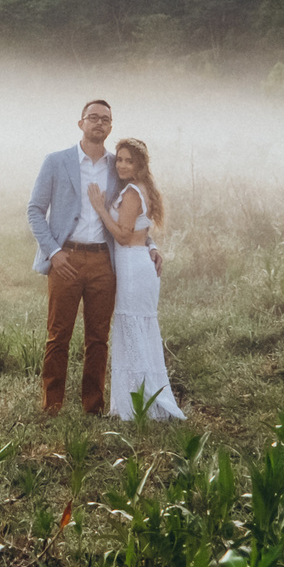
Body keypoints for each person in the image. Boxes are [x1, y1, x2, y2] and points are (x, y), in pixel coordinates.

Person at [27, 99, 122, 415]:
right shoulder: (57, 161)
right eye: (93, 117)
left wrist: (149, 246)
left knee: (98, 340)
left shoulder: (116, 167)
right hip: (65, 259)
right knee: (58, 336)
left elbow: (131, 214)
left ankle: (93, 407)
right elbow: (35, 210)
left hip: (103, 263)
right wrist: (53, 252)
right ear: (80, 123)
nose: (99, 123)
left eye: (105, 119)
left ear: (110, 126)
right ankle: (51, 406)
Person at [87, 137, 183, 419]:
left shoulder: (131, 192)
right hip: (140, 262)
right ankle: (140, 401)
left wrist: (100, 207)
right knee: (138, 330)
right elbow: (141, 233)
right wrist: (153, 247)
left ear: (140, 164)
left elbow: (124, 235)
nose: (123, 165)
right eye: (119, 159)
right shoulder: (144, 189)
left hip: (132, 265)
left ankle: (138, 406)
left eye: (129, 160)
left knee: (131, 329)